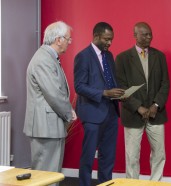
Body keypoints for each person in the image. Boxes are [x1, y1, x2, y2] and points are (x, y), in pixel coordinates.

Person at [115, 22, 170, 181]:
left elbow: (165, 83)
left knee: (159, 154)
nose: (148, 37)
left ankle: (156, 184)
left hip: (156, 114)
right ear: (135, 35)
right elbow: (121, 88)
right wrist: (138, 108)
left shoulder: (159, 56)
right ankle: (132, 184)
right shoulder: (122, 58)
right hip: (133, 114)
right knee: (132, 157)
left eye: (150, 34)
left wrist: (156, 105)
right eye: (144, 34)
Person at [24, 21, 77, 177]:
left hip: (49, 126)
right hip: (45, 127)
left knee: (50, 174)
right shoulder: (44, 59)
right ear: (58, 39)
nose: (69, 42)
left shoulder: (48, 57)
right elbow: (54, 93)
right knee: (45, 175)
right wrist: (69, 113)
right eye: (68, 39)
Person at [74, 22, 125, 186]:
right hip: (92, 114)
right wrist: (103, 93)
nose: (109, 43)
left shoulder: (109, 56)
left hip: (111, 112)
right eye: (106, 39)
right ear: (96, 36)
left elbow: (110, 82)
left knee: (108, 156)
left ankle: (105, 184)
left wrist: (119, 94)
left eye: (111, 39)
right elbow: (79, 86)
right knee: (88, 156)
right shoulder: (83, 56)